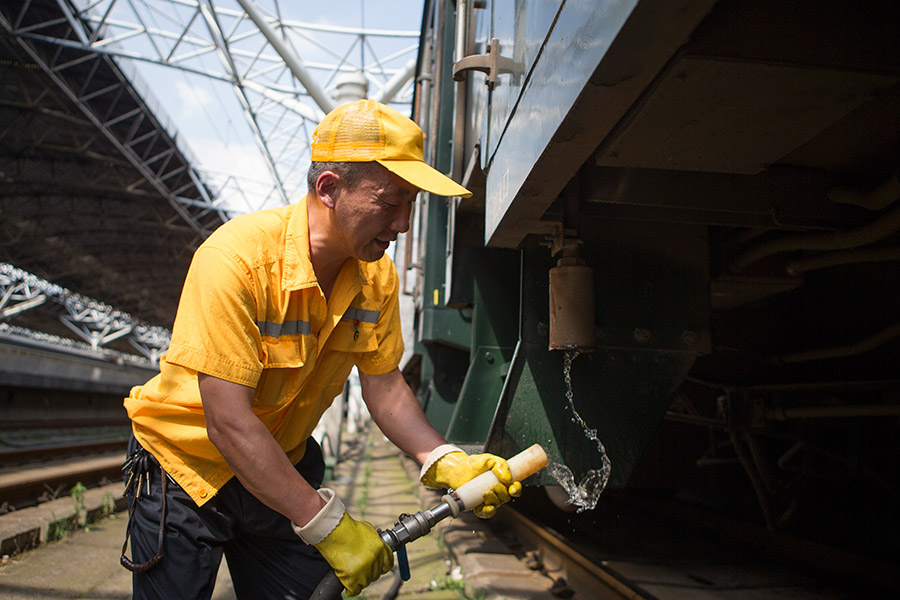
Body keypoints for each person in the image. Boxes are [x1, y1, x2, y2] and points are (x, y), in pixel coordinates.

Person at [120, 99, 522, 600]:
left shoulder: (376, 276)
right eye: (390, 201)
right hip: (185, 468)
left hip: (276, 466)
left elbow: (384, 385)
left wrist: (441, 457)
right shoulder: (235, 259)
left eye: (411, 204)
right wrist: (325, 523)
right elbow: (228, 422)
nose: (402, 223)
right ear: (329, 188)